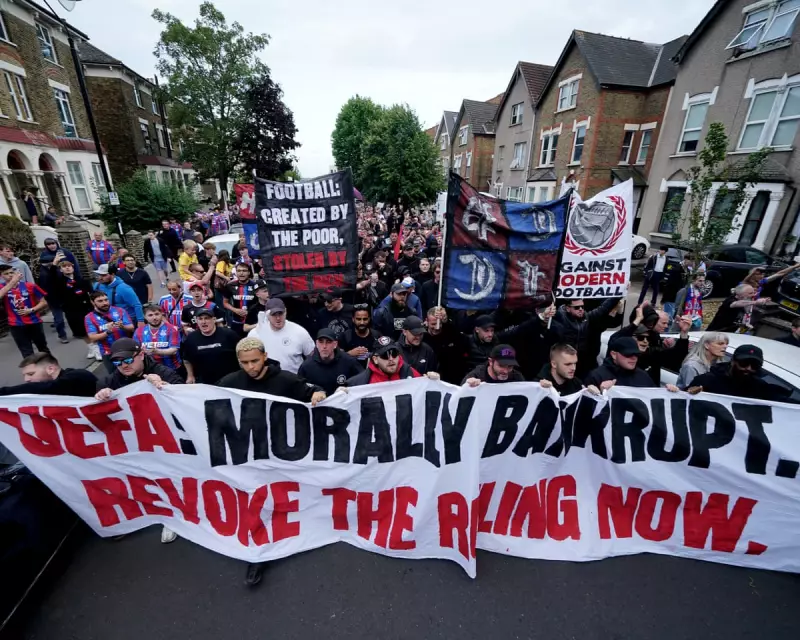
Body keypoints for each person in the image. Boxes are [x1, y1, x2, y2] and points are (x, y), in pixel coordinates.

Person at [218, 336, 325, 587]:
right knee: (258, 502)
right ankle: (258, 554)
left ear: (265, 356)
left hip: (285, 453)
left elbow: (312, 391)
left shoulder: (285, 380)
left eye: (255, 361)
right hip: (252, 455)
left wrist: (319, 394)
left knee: (290, 497)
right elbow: (202, 399)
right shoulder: (230, 382)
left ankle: (299, 531)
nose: (251, 367)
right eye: (245, 363)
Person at [688, 345, 794, 402]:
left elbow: (781, 401)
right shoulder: (706, 381)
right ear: (733, 361)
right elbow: (682, 401)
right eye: (744, 363)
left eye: (754, 366)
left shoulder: (760, 387)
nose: (748, 368)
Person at [551, 298, 624, 378]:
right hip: (565, 361)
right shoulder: (560, 318)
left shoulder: (587, 317)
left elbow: (602, 309)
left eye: (582, 307)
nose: (581, 309)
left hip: (584, 362)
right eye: (577, 307)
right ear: (568, 308)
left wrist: (618, 295)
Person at [585, 336, 679, 390]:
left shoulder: (643, 376)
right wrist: (600, 394)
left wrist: (666, 392)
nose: (633, 358)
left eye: (636, 354)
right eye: (628, 354)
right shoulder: (596, 376)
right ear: (614, 354)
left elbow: (655, 403)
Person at [248, 298, 314, 374]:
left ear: (285, 311)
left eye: (280, 313)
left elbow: (312, 356)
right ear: (267, 314)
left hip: (293, 381)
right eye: (274, 315)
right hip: (266, 381)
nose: (278, 318)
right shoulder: (255, 334)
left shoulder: (299, 332)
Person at [49, 253, 95, 358]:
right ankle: (91, 348)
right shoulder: (60, 282)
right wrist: (54, 264)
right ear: (60, 270)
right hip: (72, 310)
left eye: (69, 266)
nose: (67, 268)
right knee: (81, 331)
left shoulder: (82, 280)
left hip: (86, 308)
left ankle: (97, 347)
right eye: (64, 267)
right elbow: (51, 277)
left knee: (91, 329)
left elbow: (91, 294)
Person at [345, 336, 439, 386]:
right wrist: (343, 394)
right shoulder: (361, 382)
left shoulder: (409, 373)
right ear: (375, 359)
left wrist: (433, 382)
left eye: (394, 354)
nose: (391, 359)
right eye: (385, 355)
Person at [0, 264, 49, 358]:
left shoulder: (30, 286)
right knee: (26, 352)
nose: (10, 275)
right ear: (1, 276)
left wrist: (31, 310)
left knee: (43, 348)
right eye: (6, 274)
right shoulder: (2, 288)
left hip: (34, 321)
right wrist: (12, 283)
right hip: (16, 324)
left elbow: (44, 302)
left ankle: (53, 369)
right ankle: (33, 371)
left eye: (12, 272)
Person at [182, 308, 241, 384]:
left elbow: (242, 352)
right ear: (196, 321)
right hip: (205, 382)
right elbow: (186, 359)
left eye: (207, 318)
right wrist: (190, 376)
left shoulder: (229, 334)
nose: (203, 322)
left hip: (230, 380)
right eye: (200, 319)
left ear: (214, 320)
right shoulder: (191, 338)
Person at [39, 238, 80, 344]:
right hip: (53, 296)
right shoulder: (44, 270)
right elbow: (43, 285)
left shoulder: (65, 252)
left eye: (53, 243)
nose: (52, 246)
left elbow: (74, 267)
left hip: (65, 294)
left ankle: (76, 331)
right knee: (59, 319)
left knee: (72, 315)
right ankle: (62, 335)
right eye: (49, 244)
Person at [297, 328, 362, 395]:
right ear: (316, 344)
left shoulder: (348, 361)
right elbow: (300, 389)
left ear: (335, 344)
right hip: (318, 404)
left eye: (328, 342)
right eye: (321, 342)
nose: (324, 346)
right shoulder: (307, 366)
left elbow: (362, 381)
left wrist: (348, 389)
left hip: (343, 403)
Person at [0, 353, 96, 397]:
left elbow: (44, 387)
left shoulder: (77, 376)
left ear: (51, 369)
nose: (27, 379)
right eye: (24, 375)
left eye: (30, 374)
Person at [84, 290, 134, 372]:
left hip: (126, 348)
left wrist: (122, 327)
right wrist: (107, 332)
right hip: (108, 352)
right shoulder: (89, 317)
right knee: (115, 377)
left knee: (132, 373)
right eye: (100, 301)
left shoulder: (120, 310)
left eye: (106, 300)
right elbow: (92, 338)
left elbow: (131, 327)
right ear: (93, 302)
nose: (104, 303)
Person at [93, 263, 144, 328]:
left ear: (112, 274)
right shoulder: (97, 285)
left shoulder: (123, 288)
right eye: (99, 275)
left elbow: (137, 305)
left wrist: (140, 321)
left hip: (127, 320)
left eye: (104, 275)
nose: (100, 278)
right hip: (107, 319)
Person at [134, 304, 182, 371]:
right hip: (150, 369)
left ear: (161, 314)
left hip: (172, 368)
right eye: (150, 315)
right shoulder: (139, 331)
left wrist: (157, 351)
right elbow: (135, 350)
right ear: (145, 317)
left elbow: (174, 350)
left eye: (157, 314)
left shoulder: (172, 329)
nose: (154, 318)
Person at [223, 263, 256, 337]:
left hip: (252, 323)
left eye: (244, 271)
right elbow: (225, 303)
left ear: (249, 272)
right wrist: (235, 310)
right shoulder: (230, 286)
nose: (241, 273)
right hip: (236, 322)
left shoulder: (255, 285)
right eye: (239, 271)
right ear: (236, 273)